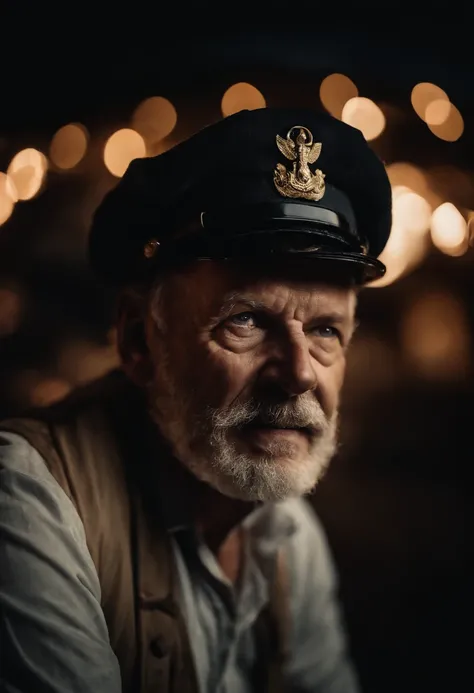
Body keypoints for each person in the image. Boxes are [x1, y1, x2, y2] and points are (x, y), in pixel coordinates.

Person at [0, 107, 392, 693]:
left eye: (326, 330)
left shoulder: (289, 537)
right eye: (247, 321)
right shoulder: (29, 502)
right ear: (138, 341)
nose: (299, 374)